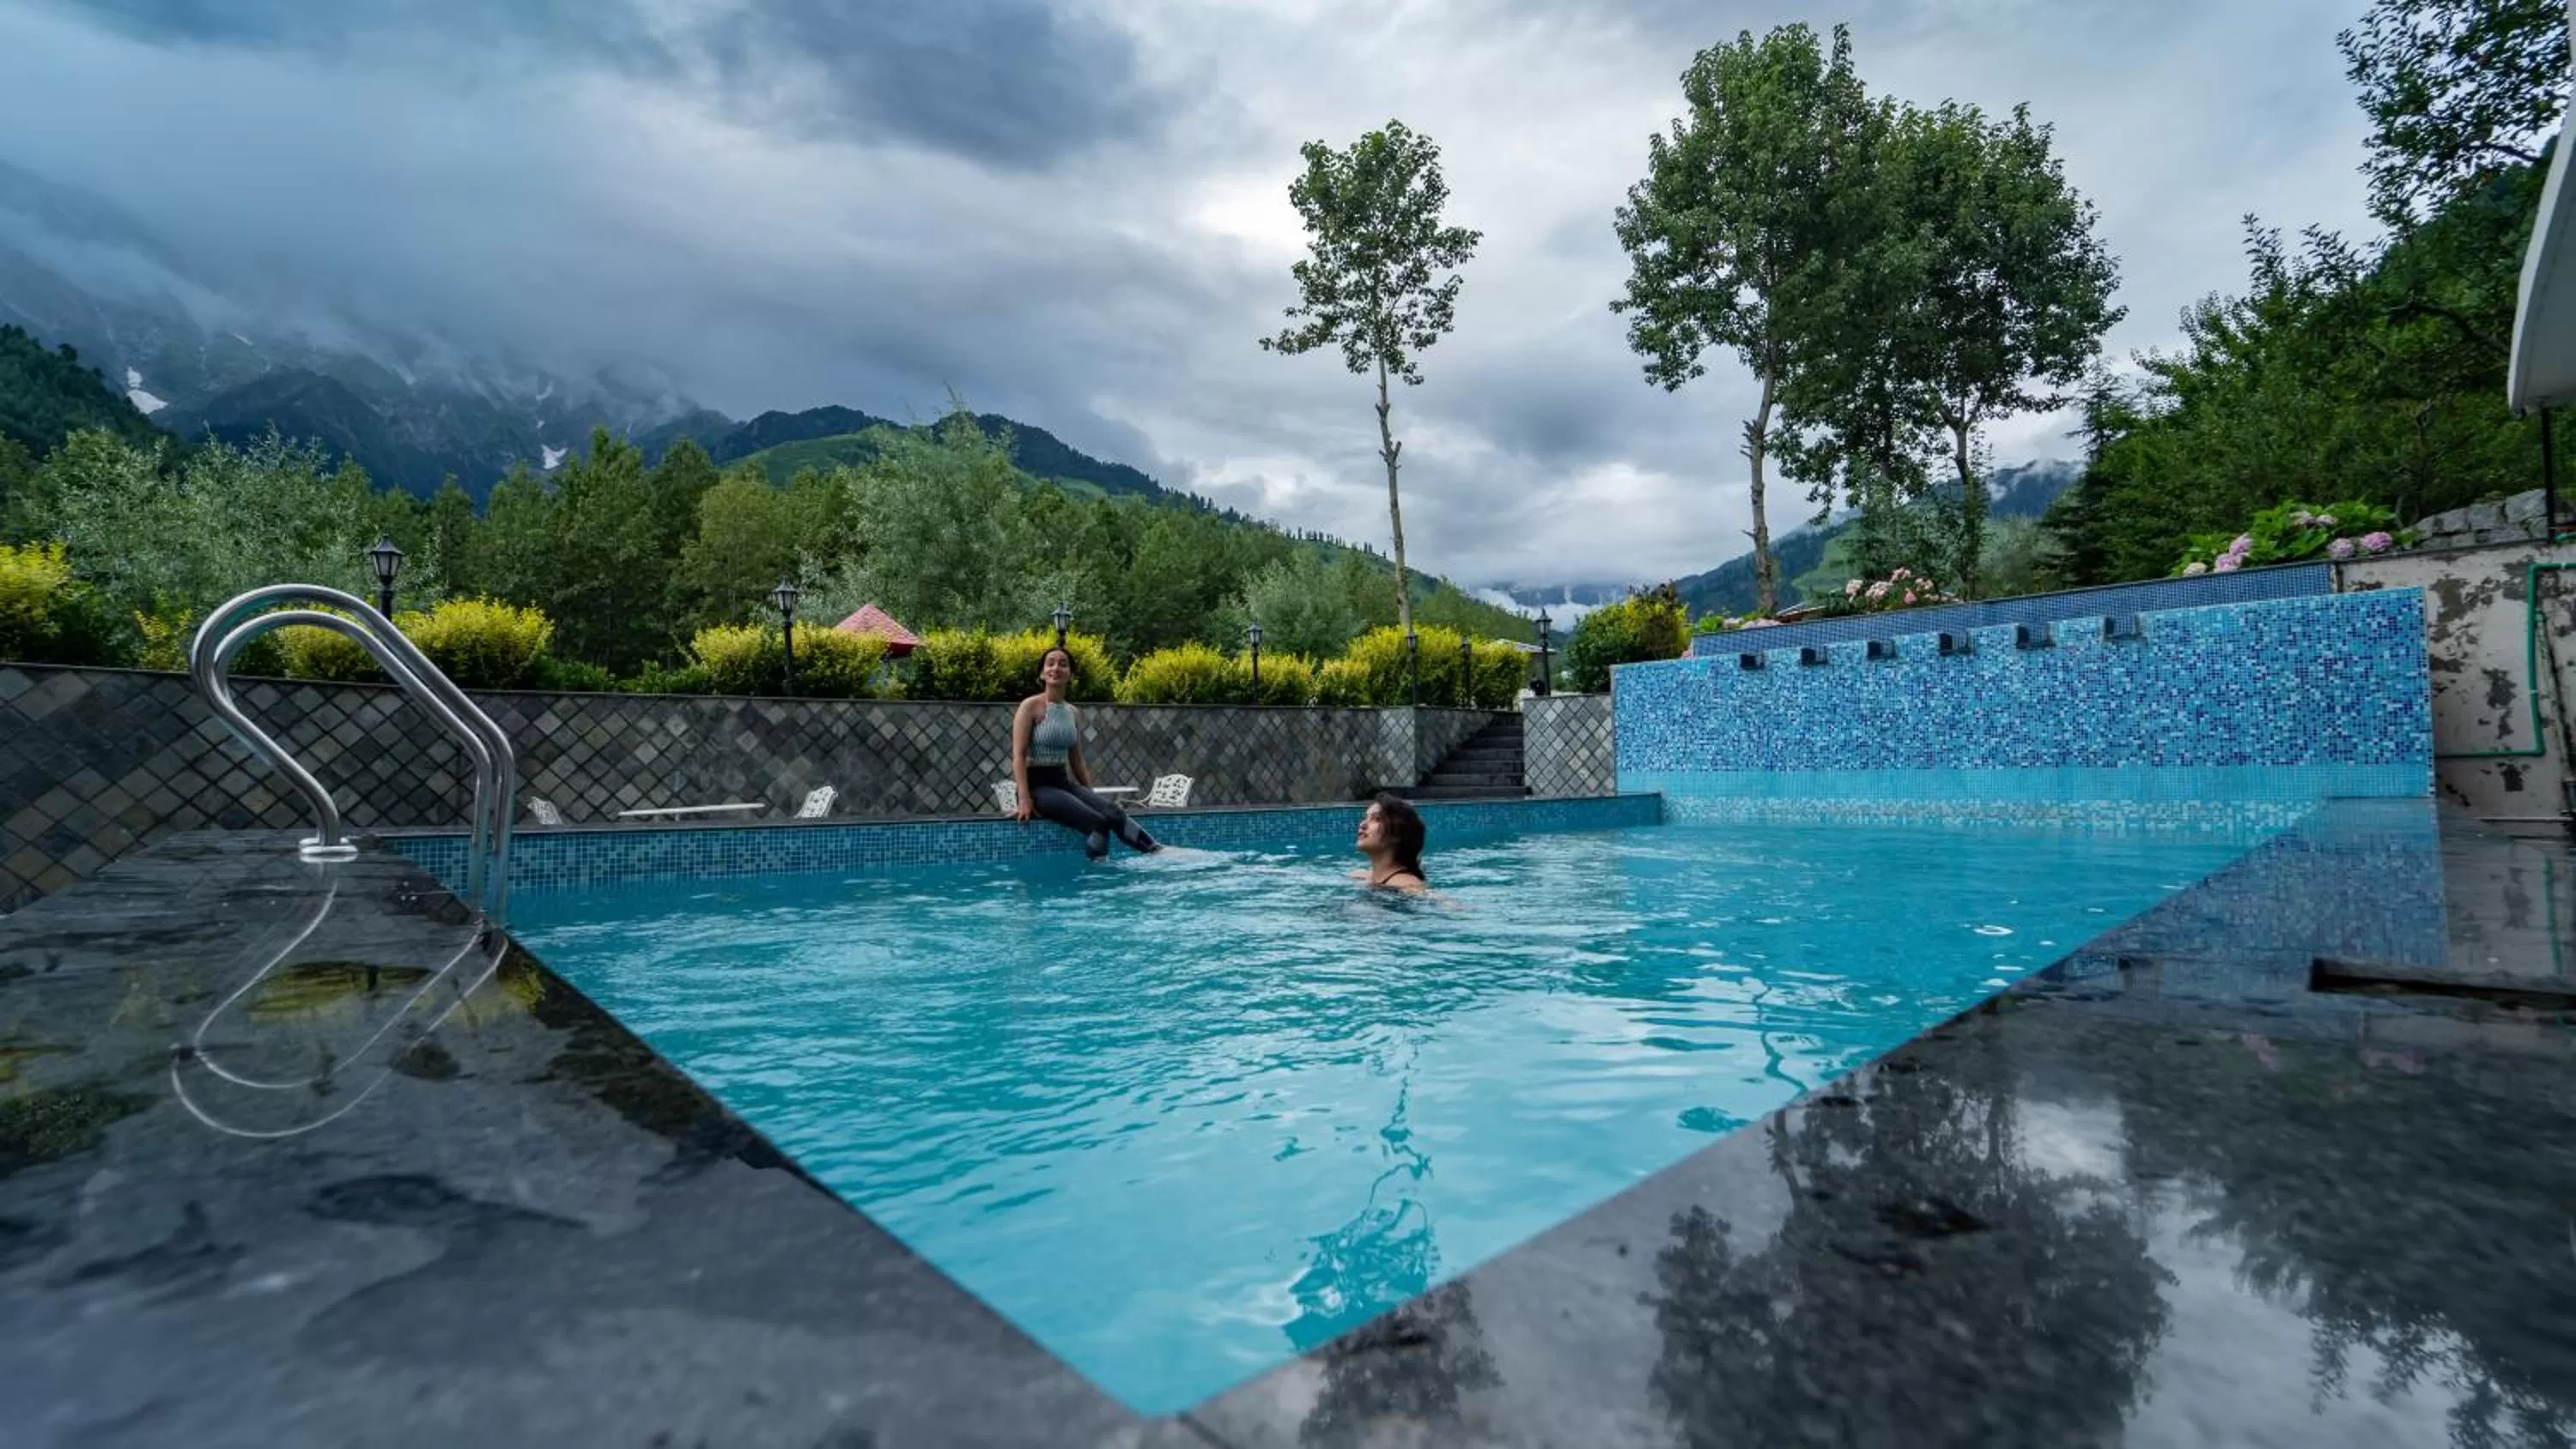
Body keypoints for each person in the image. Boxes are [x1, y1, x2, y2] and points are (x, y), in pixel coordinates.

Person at [1012, 646, 1161, 859]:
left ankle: (1155, 851)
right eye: (1050, 663)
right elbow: (1018, 756)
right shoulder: (1030, 707)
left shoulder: (1072, 712)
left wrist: (1089, 794)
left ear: (1071, 674)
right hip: (1038, 787)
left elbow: (1077, 759)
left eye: (1063, 664)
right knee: (1098, 823)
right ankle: (1098, 873)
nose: (1056, 668)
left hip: (1062, 782)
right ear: (1042, 673)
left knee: (1114, 813)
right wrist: (1024, 798)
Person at [1352, 792, 1428, 892]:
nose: (1362, 824)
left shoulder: (1408, 885)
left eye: (1377, 819)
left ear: (1397, 834)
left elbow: (1435, 898)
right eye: (1366, 818)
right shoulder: (1361, 876)